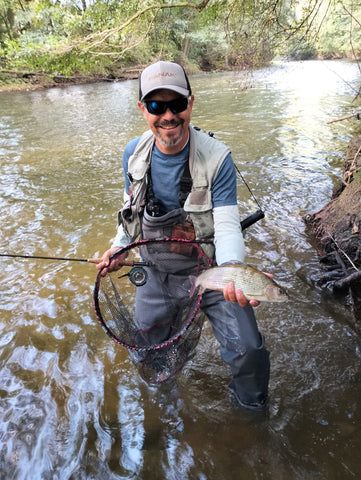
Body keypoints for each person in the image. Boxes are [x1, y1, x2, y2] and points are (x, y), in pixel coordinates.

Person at [96, 61, 270, 411]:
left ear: (190, 103)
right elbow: (129, 211)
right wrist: (119, 247)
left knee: (250, 350)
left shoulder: (217, 158)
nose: (168, 116)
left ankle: (251, 417)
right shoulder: (133, 154)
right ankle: (165, 411)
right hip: (156, 271)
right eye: (157, 107)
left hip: (213, 270)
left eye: (176, 105)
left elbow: (226, 226)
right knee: (151, 352)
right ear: (143, 109)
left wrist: (234, 270)